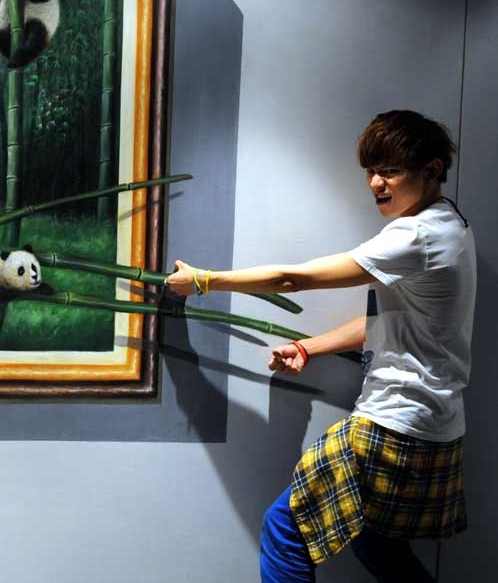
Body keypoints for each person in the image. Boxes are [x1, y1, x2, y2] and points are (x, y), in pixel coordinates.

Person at [166, 110, 476, 582]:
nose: (375, 184)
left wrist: (204, 280)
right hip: (434, 423)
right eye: (370, 171)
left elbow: (293, 278)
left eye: (390, 171)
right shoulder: (451, 223)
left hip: (394, 422)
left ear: (432, 170)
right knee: (377, 544)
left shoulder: (416, 236)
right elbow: (393, 323)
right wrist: (310, 347)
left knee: (285, 531)